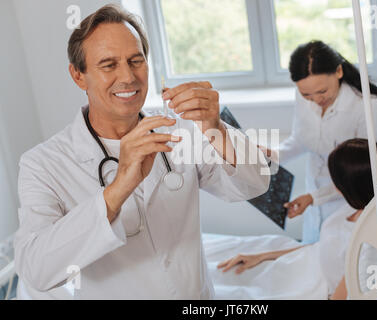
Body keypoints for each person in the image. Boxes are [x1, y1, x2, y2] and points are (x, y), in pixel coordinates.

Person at [13, 4, 270, 300]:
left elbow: (254, 184)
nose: (128, 77)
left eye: (136, 60)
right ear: (78, 76)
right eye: (109, 65)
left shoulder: (181, 133)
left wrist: (215, 127)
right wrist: (118, 188)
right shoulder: (43, 164)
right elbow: (37, 271)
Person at [211, 139, 377, 299]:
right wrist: (264, 256)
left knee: (215, 289)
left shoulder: (371, 233)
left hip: (307, 286)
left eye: (334, 179)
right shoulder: (366, 203)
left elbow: (356, 287)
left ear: (347, 186)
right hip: (298, 256)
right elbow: (323, 248)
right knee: (221, 263)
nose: (332, 185)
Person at [262, 40, 377, 244]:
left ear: (338, 71)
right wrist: (273, 155)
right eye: (306, 94)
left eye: (322, 92)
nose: (316, 99)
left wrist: (314, 197)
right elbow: (302, 140)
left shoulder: (367, 108)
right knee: (312, 253)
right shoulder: (305, 97)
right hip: (314, 196)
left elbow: (362, 173)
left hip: (348, 201)